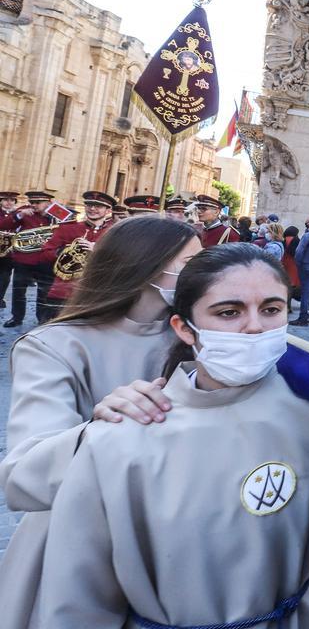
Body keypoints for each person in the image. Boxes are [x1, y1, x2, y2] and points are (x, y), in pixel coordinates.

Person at [36, 243, 309, 628]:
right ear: (184, 328)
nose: (254, 327)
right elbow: (77, 597)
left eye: (271, 309)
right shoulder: (119, 439)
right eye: (229, 312)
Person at [0, 216, 201, 629]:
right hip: (82, 544)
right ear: (145, 264)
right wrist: (102, 427)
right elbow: (25, 471)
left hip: (175, 538)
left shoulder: (199, 336)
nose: (203, 274)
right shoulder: (53, 345)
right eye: (191, 264)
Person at [36, 190, 117, 319]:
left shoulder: (114, 233)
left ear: (108, 210)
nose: (92, 209)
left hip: (95, 294)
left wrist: (98, 250)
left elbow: (120, 261)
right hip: (63, 291)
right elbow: (45, 253)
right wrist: (65, 252)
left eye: (98, 206)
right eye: (89, 205)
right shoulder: (68, 228)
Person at [2, 190, 57, 328]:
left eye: (38, 202)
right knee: (18, 291)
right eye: (32, 202)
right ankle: (17, 318)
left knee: (44, 292)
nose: (34, 205)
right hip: (24, 260)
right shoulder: (24, 212)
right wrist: (19, 215)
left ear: (48, 203)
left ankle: (42, 319)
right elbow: (3, 225)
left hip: (46, 261)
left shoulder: (56, 214)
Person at [0, 189, 19, 309]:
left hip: (9, 252)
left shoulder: (18, 214)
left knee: (5, 276)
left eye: (12, 200)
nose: (9, 202)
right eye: (5, 200)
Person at [281, 225, 301, 306]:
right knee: (293, 284)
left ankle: (287, 305)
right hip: (294, 264)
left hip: (285, 263)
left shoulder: (284, 240)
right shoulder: (297, 240)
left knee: (286, 284)